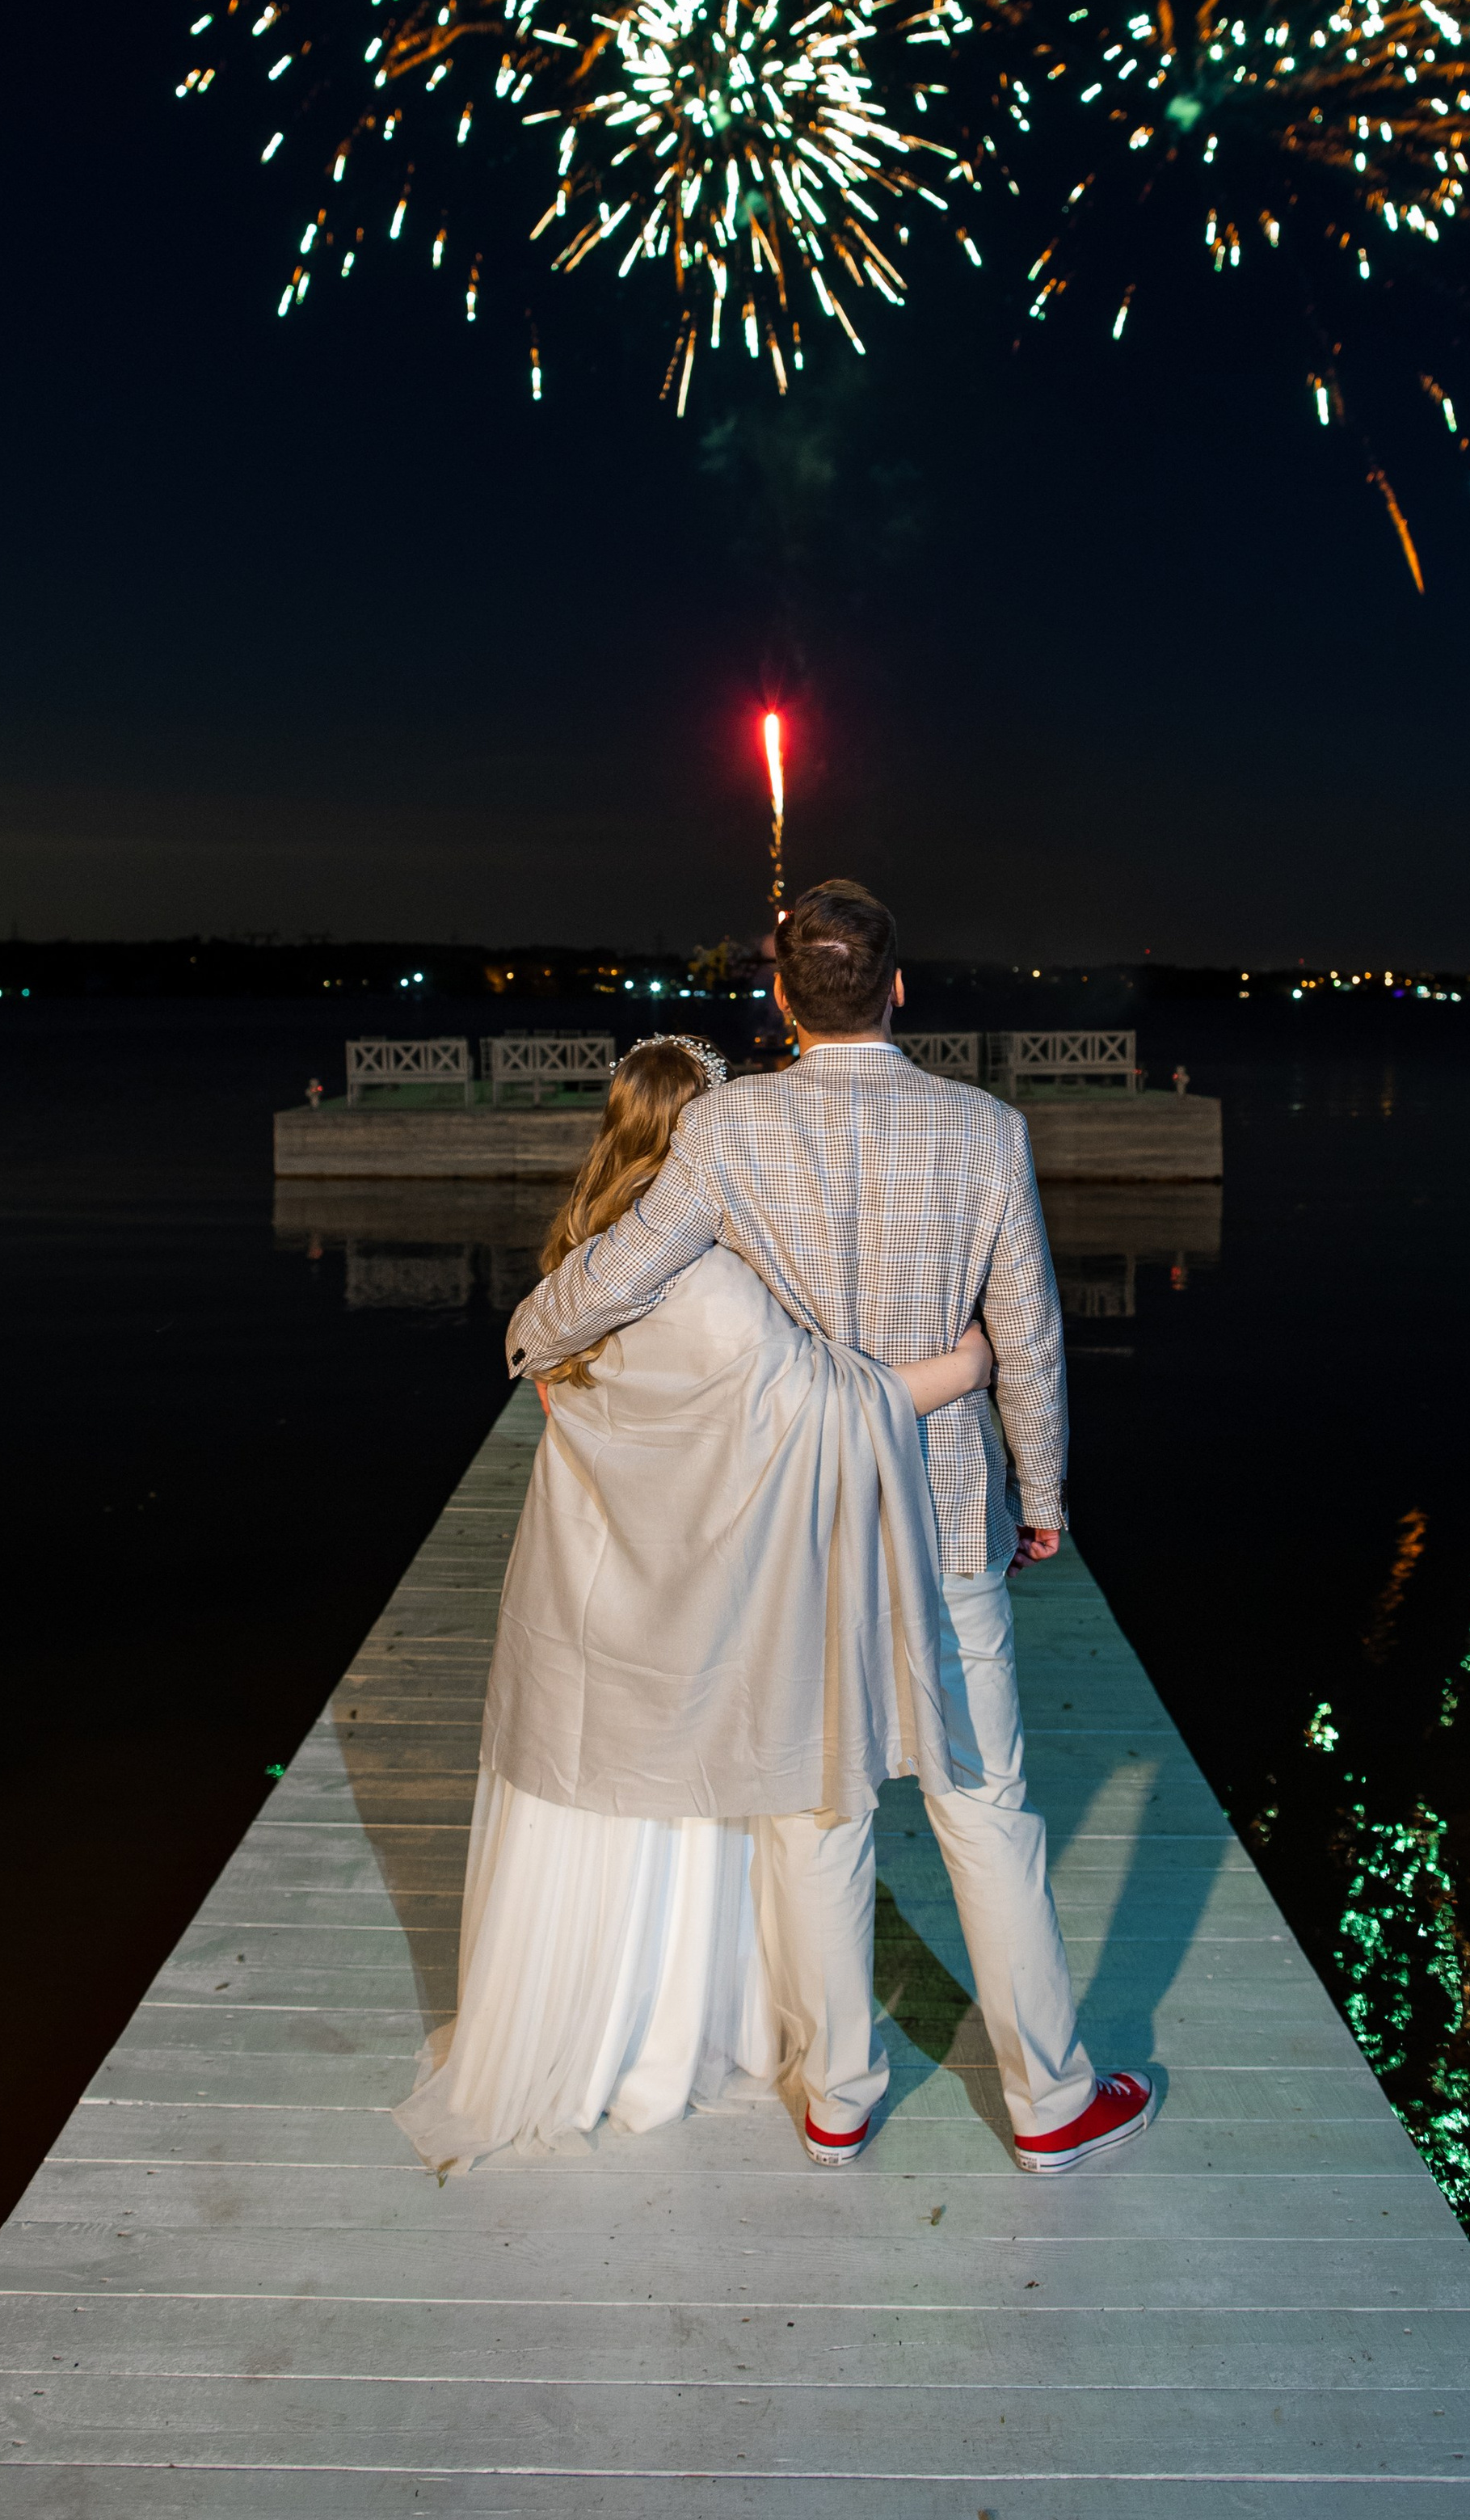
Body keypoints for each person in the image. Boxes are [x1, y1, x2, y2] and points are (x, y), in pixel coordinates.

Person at [507, 882, 1153, 2174]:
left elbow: (613, 1280)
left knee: (818, 1805)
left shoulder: (730, 1131)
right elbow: (1024, 1338)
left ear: (785, 998)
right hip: (945, 1517)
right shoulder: (985, 1128)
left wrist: (532, 1330)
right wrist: (1044, 1495)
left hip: (797, 1531)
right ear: (899, 987)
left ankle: (840, 2092)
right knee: (985, 1807)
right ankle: (1047, 2104)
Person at [393, 1033, 991, 2168]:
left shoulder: (580, 1254)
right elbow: (823, 1408)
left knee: (587, 1804)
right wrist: (965, 1369)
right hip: (681, 1618)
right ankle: (669, 2034)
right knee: (679, 1806)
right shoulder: (711, 1279)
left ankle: (570, 2023)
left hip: (589, 1598)